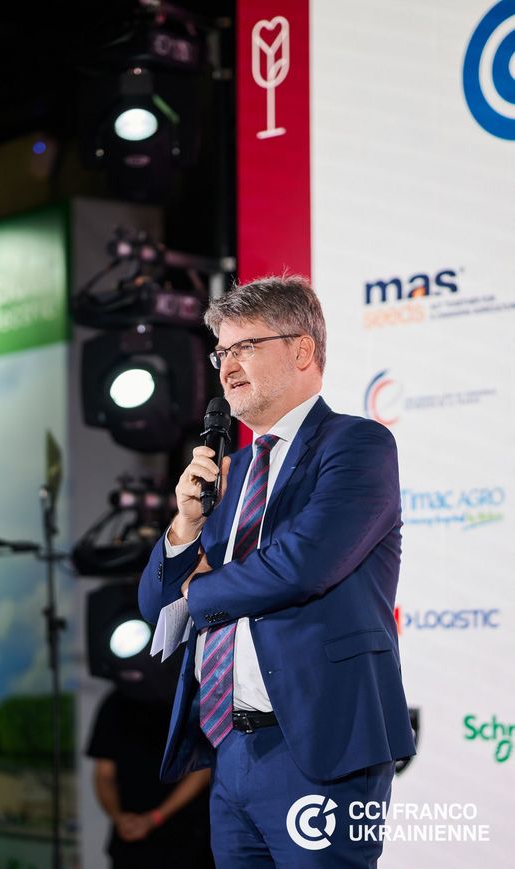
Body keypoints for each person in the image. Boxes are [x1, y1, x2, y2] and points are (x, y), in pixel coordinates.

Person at [138, 275, 416, 867]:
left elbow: (301, 566)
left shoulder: (357, 445)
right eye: (221, 352)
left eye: (246, 346)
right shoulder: (231, 471)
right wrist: (184, 526)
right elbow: (158, 608)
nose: (227, 366)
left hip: (321, 745)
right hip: (228, 748)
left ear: (302, 350)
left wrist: (198, 589)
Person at [86, 686, 213, 868]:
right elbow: (104, 775)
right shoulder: (116, 701)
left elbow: (203, 769)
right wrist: (119, 817)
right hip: (130, 839)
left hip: (189, 837)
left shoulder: (192, 699)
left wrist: (155, 817)